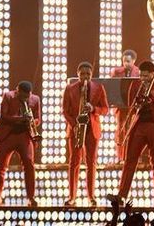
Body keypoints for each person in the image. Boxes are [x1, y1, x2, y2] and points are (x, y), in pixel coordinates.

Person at [107, 60, 154, 206]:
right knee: (130, 160)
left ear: (153, 74)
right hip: (139, 125)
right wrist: (138, 103)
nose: (143, 79)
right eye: (141, 75)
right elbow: (131, 106)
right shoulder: (136, 84)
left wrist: (151, 99)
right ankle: (121, 195)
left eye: (146, 76)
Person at [0, 81, 41, 207]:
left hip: (24, 135)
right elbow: (4, 116)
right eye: (23, 96)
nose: (25, 98)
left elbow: (38, 119)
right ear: (17, 91)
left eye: (27, 96)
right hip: (8, 135)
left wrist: (32, 121)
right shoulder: (8, 96)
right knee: (0, 167)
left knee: (29, 165)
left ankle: (31, 197)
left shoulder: (35, 99)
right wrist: (21, 119)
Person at [63, 61, 109, 207]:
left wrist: (93, 108)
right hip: (76, 129)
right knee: (74, 162)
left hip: (91, 129)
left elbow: (105, 109)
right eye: (82, 74)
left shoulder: (99, 88)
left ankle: (91, 196)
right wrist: (75, 124)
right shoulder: (69, 88)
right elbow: (65, 111)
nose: (85, 77)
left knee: (91, 163)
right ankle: (72, 197)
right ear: (77, 74)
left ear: (91, 75)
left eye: (88, 74)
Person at [111, 49, 140, 162]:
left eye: (128, 61)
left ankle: (132, 157)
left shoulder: (138, 73)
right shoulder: (117, 72)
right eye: (124, 61)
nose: (126, 64)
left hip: (133, 107)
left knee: (133, 131)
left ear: (134, 61)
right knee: (120, 131)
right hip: (121, 106)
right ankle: (120, 157)